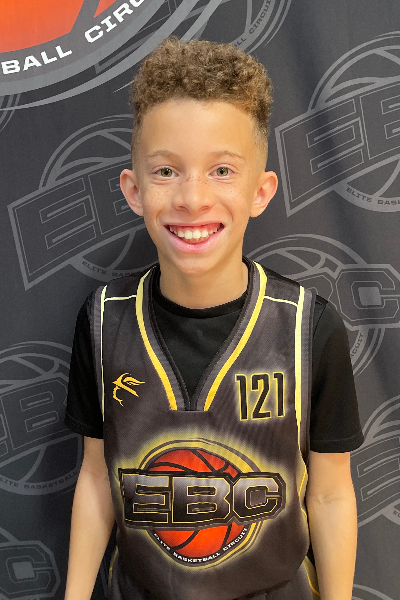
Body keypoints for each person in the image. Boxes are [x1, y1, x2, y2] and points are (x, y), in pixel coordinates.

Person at [64, 37, 364, 600]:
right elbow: (97, 477)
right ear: (134, 190)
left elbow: (329, 494)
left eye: (222, 169)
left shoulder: (308, 328)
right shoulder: (104, 321)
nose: (193, 198)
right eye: (166, 171)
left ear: (261, 191)